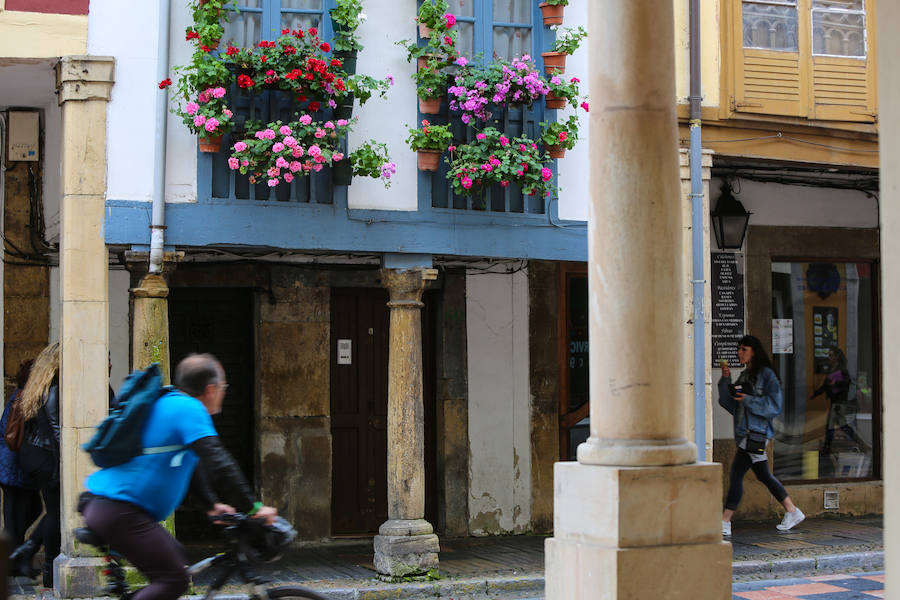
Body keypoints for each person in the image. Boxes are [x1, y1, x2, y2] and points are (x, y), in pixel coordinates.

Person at [79, 353, 277, 600]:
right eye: (224, 387)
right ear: (211, 389)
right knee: (174, 579)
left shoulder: (170, 403)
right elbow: (219, 462)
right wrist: (254, 508)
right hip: (120, 511)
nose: (223, 392)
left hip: (112, 508)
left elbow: (191, 465)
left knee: (176, 560)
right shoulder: (189, 408)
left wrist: (211, 505)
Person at [719, 335, 804, 537]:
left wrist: (748, 400)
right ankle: (792, 511)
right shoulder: (745, 375)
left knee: (737, 475)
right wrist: (725, 380)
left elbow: (774, 406)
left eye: (744, 349)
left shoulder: (767, 375)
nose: (739, 353)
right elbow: (728, 404)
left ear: (754, 352)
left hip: (755, 434)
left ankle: (725, 521)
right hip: (746, 434)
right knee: (763, 475)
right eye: (739, 349)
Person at [13, 343, 61, 587]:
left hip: (35, 455)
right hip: (45, 457)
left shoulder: (40, 387)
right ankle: (50, 571)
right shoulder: (52, 390)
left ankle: (30, 549)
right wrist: (62, 465)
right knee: (55, 513)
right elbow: (56, 432)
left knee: (54, 511)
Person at [1, 359, 43, 577]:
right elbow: (14, 436)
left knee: (19, 514)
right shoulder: (24, 399)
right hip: (15, 466)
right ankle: (14, 559)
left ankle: (14, 557)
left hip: (11, 466)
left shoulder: (17, 396)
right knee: (21, 512)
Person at [810, 347, 868, 454]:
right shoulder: (832, 369)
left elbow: (846, 383)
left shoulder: (841, 369)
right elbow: (826, 385)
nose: (829, 357)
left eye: (831, 355)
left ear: (837, 357)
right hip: (835, 401)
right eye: (829, 355)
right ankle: (860, 443)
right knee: (842, 426)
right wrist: (815, 394)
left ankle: (827, 447)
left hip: (839, 402)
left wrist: (835, 384)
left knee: (832, 426)